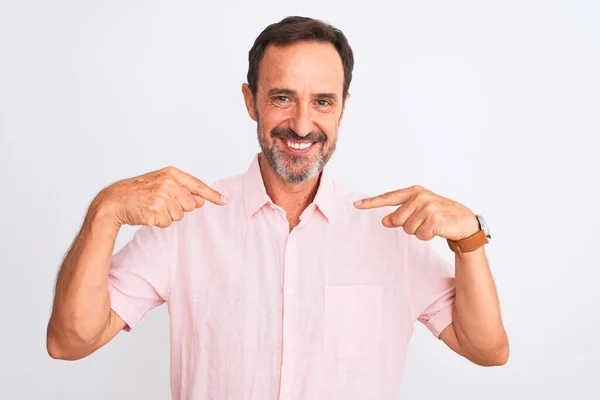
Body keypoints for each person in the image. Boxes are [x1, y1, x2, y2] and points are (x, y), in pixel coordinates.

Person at [46, 16, 508, 399]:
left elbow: (486, 349)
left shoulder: (391, 232)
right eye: (282, 97)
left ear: (343, 108)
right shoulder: (186, 223)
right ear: (251, 101)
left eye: (322, 101)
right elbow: (70, 341)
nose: (302, 124)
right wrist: (104, 212)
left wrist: (469, 239)